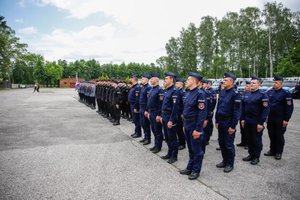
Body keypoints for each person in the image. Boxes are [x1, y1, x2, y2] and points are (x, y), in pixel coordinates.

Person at [179, 72, 207, 180]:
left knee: (197, 150)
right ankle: (189, 167)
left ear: (195, 81)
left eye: (189, 79)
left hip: (195, 125)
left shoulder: (200, 94)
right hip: (187, 124)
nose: (186, 81)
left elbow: (202, 113)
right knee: (190, 148)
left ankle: (196, 170)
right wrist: (184, 124)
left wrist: (198, 129)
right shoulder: (188, 93)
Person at [215, 73, 241, 173]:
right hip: (221, 121)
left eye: (225, 80)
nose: (223, 82)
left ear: (231, 82)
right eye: (223, 80)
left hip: (229, 122)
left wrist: (233, 126)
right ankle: (224, 161)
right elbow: (218, 107)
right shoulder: (222, 92)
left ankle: (230, 163)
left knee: (228, 144)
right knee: (221, 143)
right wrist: (217, 121)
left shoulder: (235, 94)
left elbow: (236, 111)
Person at [241, 75, 270, 165]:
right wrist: (242, 119)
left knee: (256, 139)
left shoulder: (263, 95)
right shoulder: (247, 94)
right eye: (251, 83)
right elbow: (243, 108)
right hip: (247, 120)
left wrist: (261, 123)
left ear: (259, 85)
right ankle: (251, 154)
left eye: (254, 83)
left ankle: (256, 157)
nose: (251, 84)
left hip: (256, 121)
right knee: (249, 138)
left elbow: (266, 110)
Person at [265, 75, 294, 160]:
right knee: (271, 135)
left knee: (279, 136)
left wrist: (286, 119)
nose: (274, 83)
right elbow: (266, 106)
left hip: (280, 119)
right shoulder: (270, 92)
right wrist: (266, 116)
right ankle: (272, 150)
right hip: (270, 118)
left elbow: (289, 107)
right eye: (274, 82)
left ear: (281, 83)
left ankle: (279, 152)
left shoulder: (286, 93)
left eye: (276, 82)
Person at [160, 72, 179, 164]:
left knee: (172, 137)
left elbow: (175, 108)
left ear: (172, 79)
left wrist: (171, 120)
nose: (165, 80)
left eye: (166, 78)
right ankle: (169, 153)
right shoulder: (166, 90)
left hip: (170, 117)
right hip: (165, 116)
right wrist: (161, 116)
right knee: (167, 137)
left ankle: (174, 156)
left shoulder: (174, 91)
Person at [145, 73, 164, 154]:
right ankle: (156, 145)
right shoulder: (152, 89)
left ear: (156, 80)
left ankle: (158, 146)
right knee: (153, 129)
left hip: (156, 112)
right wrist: (148, 112)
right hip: (151, 112)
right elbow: (149, 102)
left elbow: (161, 104)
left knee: (158, 131)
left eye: (152, 79)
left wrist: (159, 115)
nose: (151, 80)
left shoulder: (160, 90)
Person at [237, 81, 251, 148]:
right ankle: (243, 142)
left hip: (247, 115)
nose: (246, 87)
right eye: (245, 86)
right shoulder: (243, 93)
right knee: (242, 130)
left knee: (247, 131)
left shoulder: (251, 94)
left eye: (247, 86)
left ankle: (248, 143)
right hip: (241, 114)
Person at [138, 74, 152, 145]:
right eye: (141, 79)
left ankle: (148, 138)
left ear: (147, 80)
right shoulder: (142, 87)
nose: (141, 80)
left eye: (143, 79)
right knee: (142, 123)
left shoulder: (148, 88)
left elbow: (148, 100)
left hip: (145, 108)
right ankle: (145, 137)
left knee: (146, 124)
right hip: (141, 108)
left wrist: (147, 110)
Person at [175, 78, 186, 150]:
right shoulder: (177, 91)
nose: (176, 85)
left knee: (180, 129)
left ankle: (182, 143)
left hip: (180, 113)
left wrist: (183, 113)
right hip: (176, 113)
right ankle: (179, 141)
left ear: (181, 84)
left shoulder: (182, 92)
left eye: (177, 83)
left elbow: (184, 104)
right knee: (177, 129)